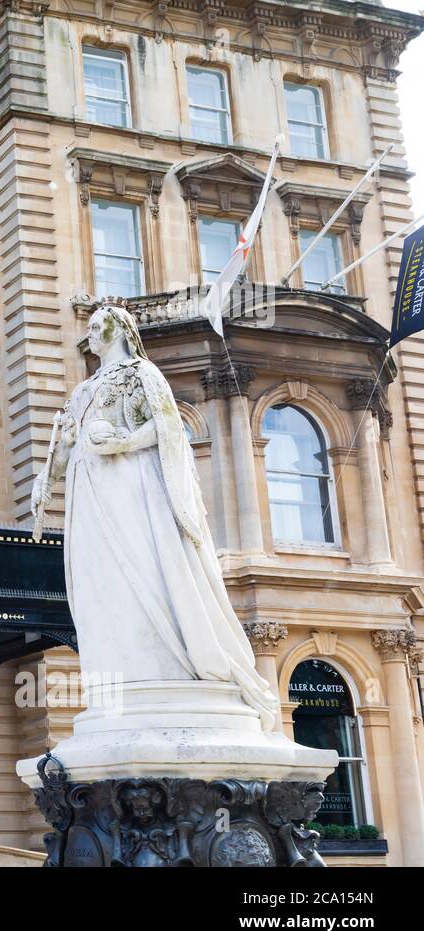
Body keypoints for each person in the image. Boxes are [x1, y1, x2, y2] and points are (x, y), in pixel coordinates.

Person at [31, 305, 280, 731]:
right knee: (100, 585)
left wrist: (123, 442)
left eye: (94, 326)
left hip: (132, 488)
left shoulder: (142, 373)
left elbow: (169, 430)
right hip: (88, 496)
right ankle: (122, 668)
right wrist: (46, 477)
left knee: (143, 572)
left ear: (117, 329)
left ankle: (164, 666)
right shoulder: (82, 390)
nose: (88, 333)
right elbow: (65, 447)